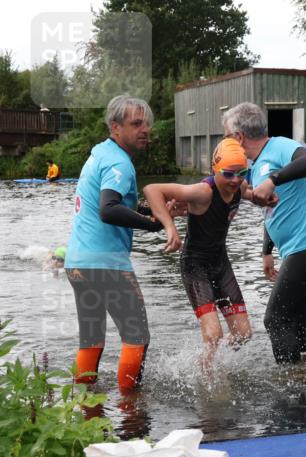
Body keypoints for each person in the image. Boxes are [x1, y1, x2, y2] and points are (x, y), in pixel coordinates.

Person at [222, 102, 306, 364]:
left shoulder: (279, 146)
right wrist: (266, 251)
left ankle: (292, 386)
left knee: (275, 319)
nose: (228, 144)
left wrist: (273, 179)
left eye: (228, 137)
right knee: (300, 322)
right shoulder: (256, 164)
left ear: (239, 136)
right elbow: (272, 209)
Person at [64, 95, 163, 392]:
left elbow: (117, 203)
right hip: (107, 265)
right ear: (115, 127)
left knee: (92, 339)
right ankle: (130, 410)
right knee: (137, 337)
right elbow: (109, 210)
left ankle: (83, 408)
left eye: (146, 123)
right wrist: (153, 225)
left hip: (79, 264)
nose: (145, 129)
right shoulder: (119, 161)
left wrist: (154, 210)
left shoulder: (101, 155)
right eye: (136, 124)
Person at [143, 138, 256, 368]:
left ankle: (208, 364)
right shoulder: (202, 192)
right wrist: (170, 227)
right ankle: (206, 375)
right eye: (228, 174)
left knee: (243, 334)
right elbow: (152, 189)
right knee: (213, 335)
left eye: (242, 172)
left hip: (221, 264)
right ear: (215, 169)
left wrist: (262, 198)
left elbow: (248, 193)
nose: (235, 180)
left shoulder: (240, 187)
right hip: (195, 267)